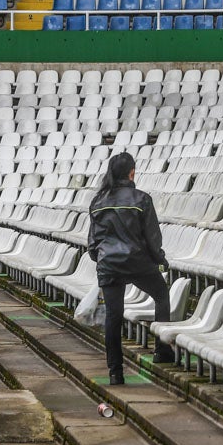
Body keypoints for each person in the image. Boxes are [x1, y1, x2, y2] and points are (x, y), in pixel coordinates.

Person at [87, 152, 173, 384]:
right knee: (161, 294)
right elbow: (152, 237)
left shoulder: (97, 201)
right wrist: (160, 259)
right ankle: (162, 350)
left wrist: (103, 260)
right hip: (138, 263)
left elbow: (93, 242)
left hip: (109, 264)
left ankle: (115, 372)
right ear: (132, 172)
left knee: (113, 318)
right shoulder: (141, 199)